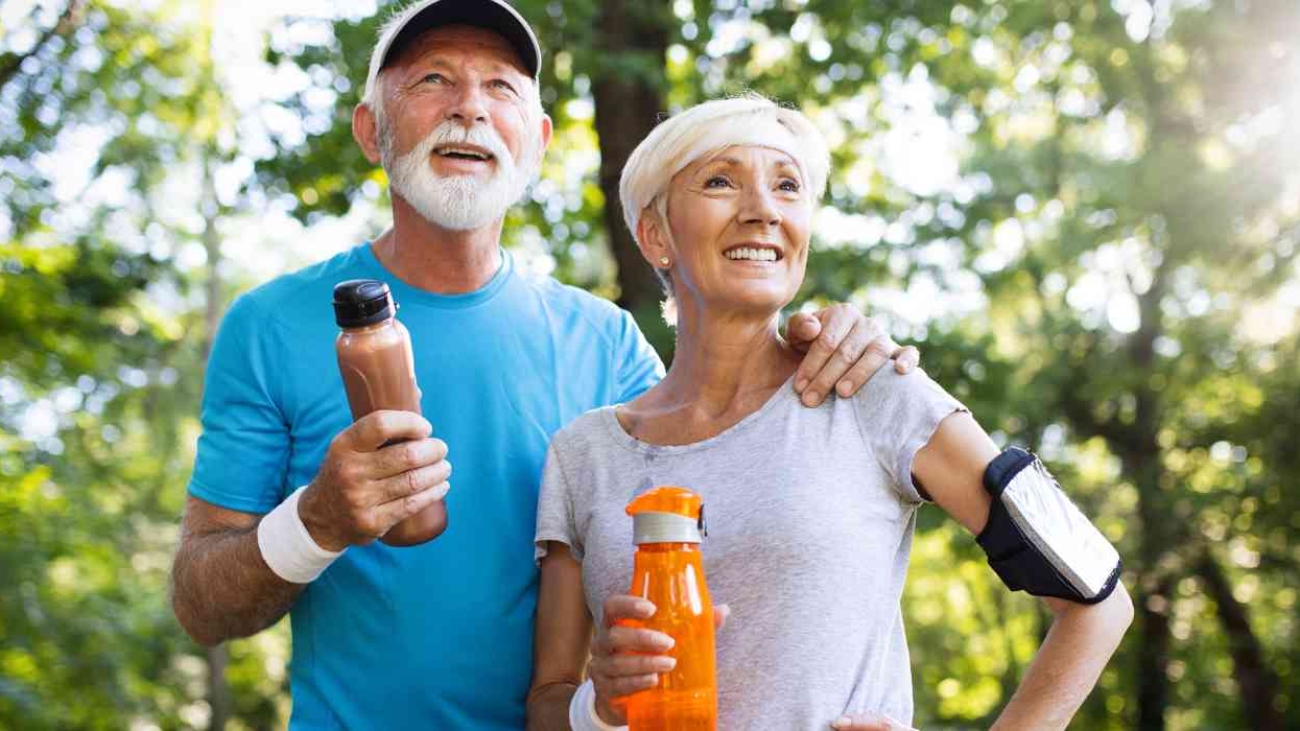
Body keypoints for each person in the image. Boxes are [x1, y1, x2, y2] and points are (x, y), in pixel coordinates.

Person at [168, 2, 919, 729]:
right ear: (371, 129)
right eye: (433, 80)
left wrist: (819, 337)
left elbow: (734, 557)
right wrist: (316, 519)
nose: (471, 108)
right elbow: (201, 604)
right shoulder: (271, 325)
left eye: (502, 87)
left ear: (538, 138)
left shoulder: (609, 342)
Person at [528, 96, 1134, 731]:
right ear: (655, 235)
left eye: (787, 187)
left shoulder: (875, 390)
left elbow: (1099, 602)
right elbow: (547, 700)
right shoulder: (584, 454)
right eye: (720, 181)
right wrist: (597, 707)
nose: (762, 209)